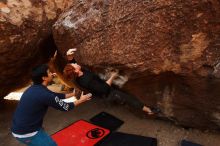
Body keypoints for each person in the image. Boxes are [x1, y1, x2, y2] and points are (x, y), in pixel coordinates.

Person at [11, 64, 92, 146]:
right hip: (26, 132)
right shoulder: (43, 94)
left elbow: (55, 96)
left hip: (22, 126)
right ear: (44, 78)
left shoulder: (35, 88)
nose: (52, 73)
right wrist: (82, 100)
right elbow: (66, 107)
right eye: (49, 72)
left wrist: (73, 94)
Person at [63, 58, 160, 115]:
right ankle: (149, 110)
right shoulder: (85, 81)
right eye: (74, 65)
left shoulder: (80, 73)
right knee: (130, 99)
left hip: (108, 89)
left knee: (127, 96)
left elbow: (73, 63)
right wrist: (113, 76)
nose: (75, 64)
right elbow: (104, 88)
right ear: (75, 70)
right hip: (109, 94)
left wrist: (70, 57)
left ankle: (142, 107)